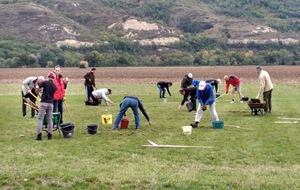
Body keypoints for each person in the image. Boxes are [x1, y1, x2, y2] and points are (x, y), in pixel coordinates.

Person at [36, 72, 56, 140]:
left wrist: (37, 89)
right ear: (53, 78)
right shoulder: (54, 86)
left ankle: (39, 135)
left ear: (48, 77)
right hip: (50, 103)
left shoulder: (45, 82)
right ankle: (50, 135)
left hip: (43, 102)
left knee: (40, 119)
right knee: (50, 120)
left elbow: (38, 87)